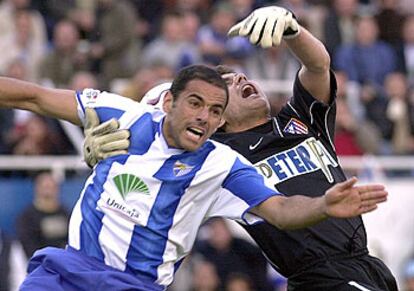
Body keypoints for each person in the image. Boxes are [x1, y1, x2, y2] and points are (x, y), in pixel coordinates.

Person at [85, 6, 398, 291]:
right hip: (318, 278)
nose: (241, 79)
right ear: (216, 116)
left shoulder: (299, 119)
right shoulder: (217, 158)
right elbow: (158, 145)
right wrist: (116, 150)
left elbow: (318, 65)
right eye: (229, 84)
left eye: (240, 76)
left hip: (367, 266)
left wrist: (293, 29)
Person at [0, 63, 387, 290]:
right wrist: (94, 152)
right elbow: (32, 97)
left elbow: (282, 210)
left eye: (215, 110)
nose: (203, 116)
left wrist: (323, 204)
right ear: (166, 104)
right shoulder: (123, 119)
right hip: (67, 270)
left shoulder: (222, 164)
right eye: (195, 104)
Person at [16, 172, 70, 259]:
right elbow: (28, 245)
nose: (48, 191)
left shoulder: (65, 213)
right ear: (37, 189)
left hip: (64, 261)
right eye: (45, 187)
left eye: (52, 187)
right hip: (39, 263)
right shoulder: (27, 217)